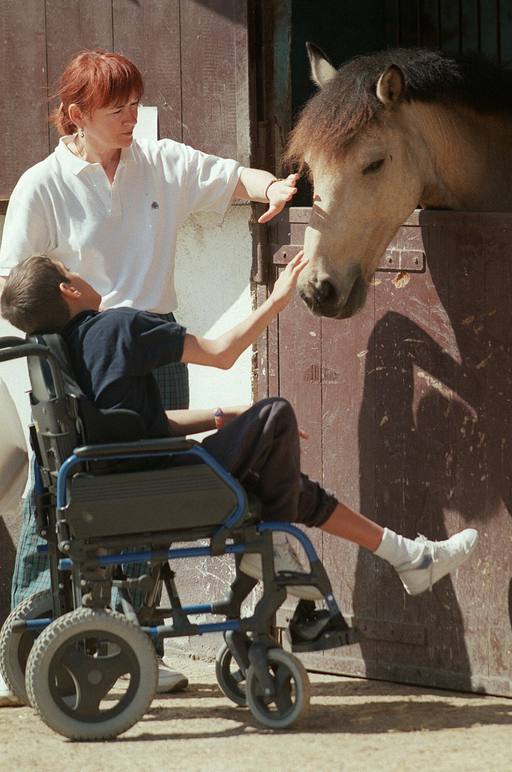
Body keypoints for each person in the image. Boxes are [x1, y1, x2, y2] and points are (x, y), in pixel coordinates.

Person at [0, 49, 299, 701]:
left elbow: (230, 179)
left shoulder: (160, 161)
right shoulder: (40, 186)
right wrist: (42, 392)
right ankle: (21, 647)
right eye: (118, 108)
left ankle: (139, 646)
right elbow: (13, 289)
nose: (134, 115)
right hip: (70, 358)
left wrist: (272, 187)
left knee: (149, 503)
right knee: (49, 497)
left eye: (136, 102)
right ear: (76, 116)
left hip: (153, 345)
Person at [1, 252, 480, 628]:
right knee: (276, 415)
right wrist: (277, 299)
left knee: (284, 482)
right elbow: (223, 353)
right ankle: (269, 551)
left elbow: (137, 429)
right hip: (164, 486)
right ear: (68, 288)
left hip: (119, 486)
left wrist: (223, 414)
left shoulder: (55, 358)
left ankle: (406, 556)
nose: (80, 274)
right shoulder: (121, 325)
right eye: (70, 270)